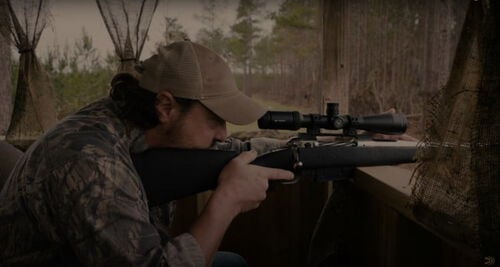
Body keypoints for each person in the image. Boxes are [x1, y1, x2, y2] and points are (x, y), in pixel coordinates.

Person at [0, 41, 294, 266]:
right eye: (215, 120)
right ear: (166, 107)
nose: (223, 133)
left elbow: (223, 147)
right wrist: (227, 201)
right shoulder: (90, 161)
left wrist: (291, 152)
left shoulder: (133, 123)